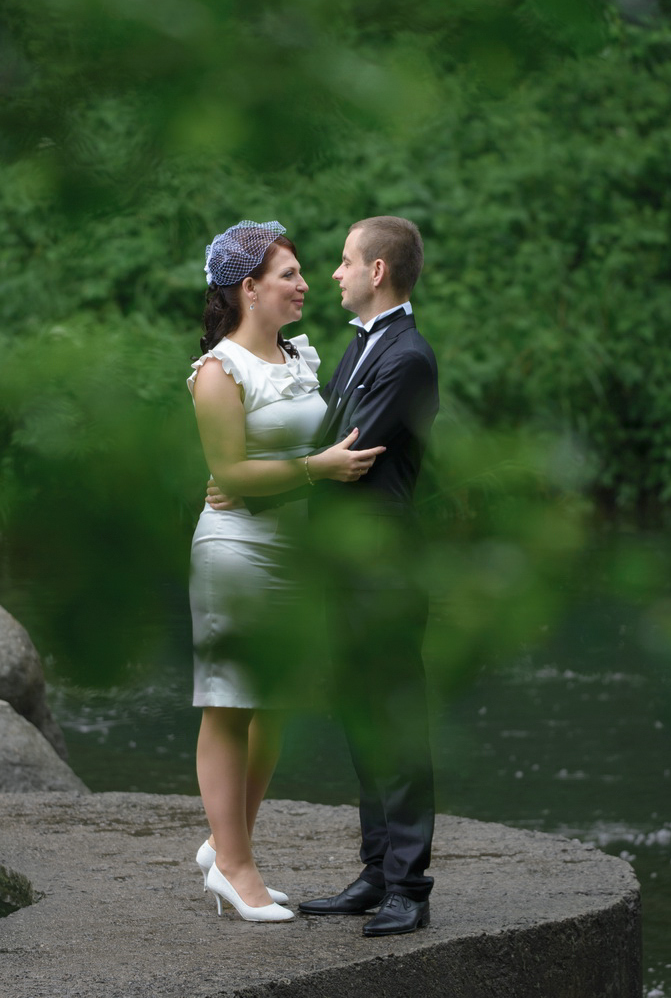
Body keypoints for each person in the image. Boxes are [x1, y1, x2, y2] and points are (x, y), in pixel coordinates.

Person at [212, 216, 440, 937]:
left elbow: (348, 456)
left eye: (344, 261)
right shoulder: (360, 344)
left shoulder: (407, 356)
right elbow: (320, 441)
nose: (332, 274)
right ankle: (376, 871)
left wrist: (254, 484)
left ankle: (409, 884)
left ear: (377, 272)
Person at [186, 220, 384, 923]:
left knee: (274, 704)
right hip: (235, 552)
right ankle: (236, 868)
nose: (306, 285)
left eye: (304, 273)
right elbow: (230, 474)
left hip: (292, 550)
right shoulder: (218, 371)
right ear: (249, 289)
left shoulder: (302, 356)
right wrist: (312, 470)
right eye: (291, 275)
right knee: (229, 700)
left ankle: (224, 843)